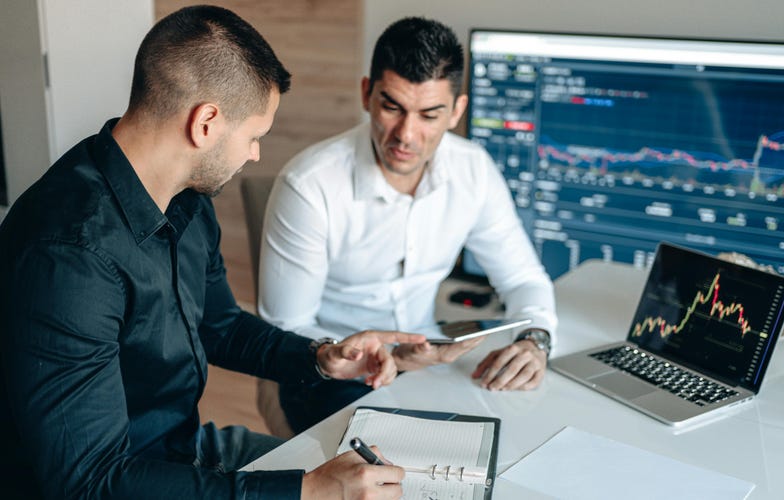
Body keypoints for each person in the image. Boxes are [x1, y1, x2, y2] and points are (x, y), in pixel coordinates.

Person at [0, 6, 424, 499]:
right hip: (123, 480)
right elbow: (90, 481)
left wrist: (321, 358)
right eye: (254, 137)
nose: (254, 154)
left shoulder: (186, 198)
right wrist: (305, 492)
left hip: (183, 450)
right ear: (206, 123)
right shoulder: (68, 256)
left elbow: (220, 325)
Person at [258, 16, 558, 434]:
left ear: (456, 111)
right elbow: (286, 331)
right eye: (392, 107)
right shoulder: (310, 186)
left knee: (523, 428)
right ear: (367, 94)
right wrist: (375, 357)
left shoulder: (474, 170)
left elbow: (523, 278)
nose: (406, 135)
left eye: (429, 115)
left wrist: (534, 340)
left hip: (424, 363)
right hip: (328, 372)